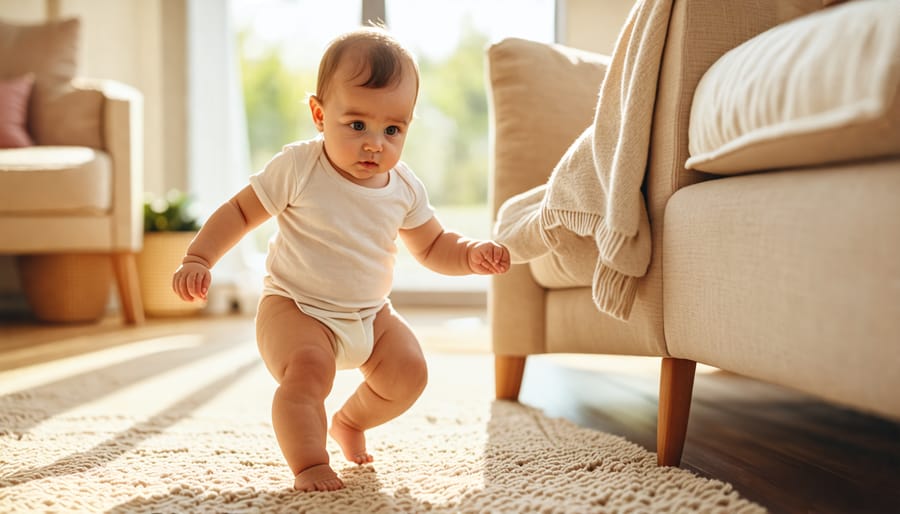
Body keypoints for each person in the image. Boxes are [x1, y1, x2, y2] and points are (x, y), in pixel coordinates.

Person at [170, 26, 510, 493]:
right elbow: (241, 210)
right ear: (318, 114)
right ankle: (309, 462)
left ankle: (349, 422)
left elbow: (433, 246)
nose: (376, 143)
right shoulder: (299, 167)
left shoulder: (404, 186)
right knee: (309, 372)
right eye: (357, 125)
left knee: (410, 373)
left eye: (393, 129)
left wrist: (470, 254)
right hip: (295, 308)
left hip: (370, 315)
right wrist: (199, 257)